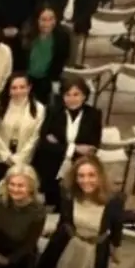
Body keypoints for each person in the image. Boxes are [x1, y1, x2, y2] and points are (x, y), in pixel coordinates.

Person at [35, 154, 125, 268]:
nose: (86, 180)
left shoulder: (114, 200)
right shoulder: (68, 194)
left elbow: (117, 226)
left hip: (94, 250)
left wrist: (115, 248)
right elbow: (64, 221)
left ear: (100, 176)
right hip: (68, 244)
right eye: (81, 176)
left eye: (91, 175)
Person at [32, 75, 102, 206]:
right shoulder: (53, 112)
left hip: (78, 168)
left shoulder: (94, 115)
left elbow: (92, 147)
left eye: (76, 94)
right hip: (52, 167)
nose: (72, 99)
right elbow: (44, 144)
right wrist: (74, 148)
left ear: (84, 96)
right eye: (67, 94)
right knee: (51, 202)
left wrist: (59, 145)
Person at [0, 73, 45, 193]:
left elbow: (35, 136)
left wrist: (19, 158)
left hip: (23, 159)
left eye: (22, 87)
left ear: (29, 87)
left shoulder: (39, 109)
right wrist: (5, 155)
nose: (18, 91)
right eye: (14, 88)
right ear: (8, 89)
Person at [23, 6, 74, 105]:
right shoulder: (26, 34)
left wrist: (54, 81)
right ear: (37, 20)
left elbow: (61, 60)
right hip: (26, 78)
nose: (48, 23)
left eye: (51, 19)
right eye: (43, 19)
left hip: (47, 80)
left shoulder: (62, 37)